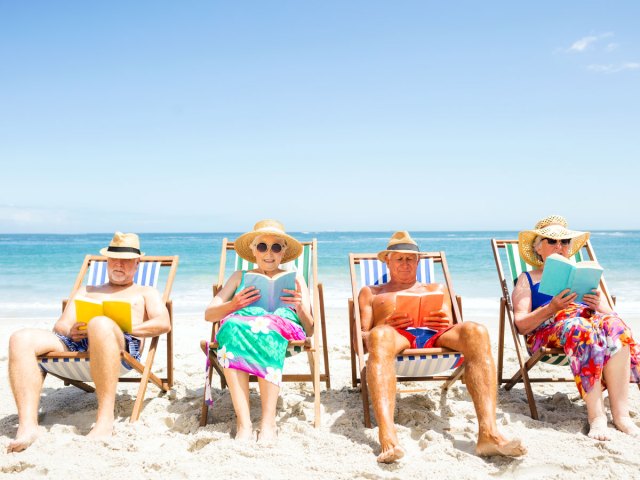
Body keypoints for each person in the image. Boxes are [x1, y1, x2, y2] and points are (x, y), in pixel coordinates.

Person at [358, 231, 526, 463]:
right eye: (399, 258)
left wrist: (444, 322)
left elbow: (452, 327)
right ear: (387, 260)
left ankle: (488, 433)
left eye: (410, 258)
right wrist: (384, 325)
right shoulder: (372, 292)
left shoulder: (437, 289)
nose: (405, 263)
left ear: (418, 261)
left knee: (477, 331)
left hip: (437, 338)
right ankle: (388, 435)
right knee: (379, 335)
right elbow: (361, 341)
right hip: (394, 340)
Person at [7, 232, 170, 453]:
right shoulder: (87, 290)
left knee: (100, 324)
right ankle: (28, 427)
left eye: (125, 261)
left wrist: (127, 328)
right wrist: (71, 330)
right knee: (21, 338)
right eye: (113, 259)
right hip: (77, 343)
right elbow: (61, 325)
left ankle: (104, 420)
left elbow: (163, 323)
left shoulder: (145, 292)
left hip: (120, 346)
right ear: (106, 262)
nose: (118, 265)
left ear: (137, 264)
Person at [512, 215, 640, 441]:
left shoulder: (584, 276)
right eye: (552, 241)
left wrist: (597, 304)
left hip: (587, 322)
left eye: (565, 242)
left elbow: (612, 316)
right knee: (581, 328)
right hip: (549, 331)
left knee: (616, 328)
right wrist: (551, 308)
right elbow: (521, 325)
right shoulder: (527, 279)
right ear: (538, 248)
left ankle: (622, 416)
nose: (560, 246)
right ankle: (597, 417)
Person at [204, 219, 313, 442]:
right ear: (253, 251)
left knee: (267, 328)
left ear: (283, 252)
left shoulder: (295, 279)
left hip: (279, 332)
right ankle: (243, 423)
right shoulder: (238, 277)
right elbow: (210, 315)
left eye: (276, 247)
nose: (269, 253)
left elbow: (310, 328)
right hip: (243, 331)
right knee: (232, 326)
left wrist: (300, 307)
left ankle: (267, 422)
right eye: (262, 246)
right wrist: (233, 305)